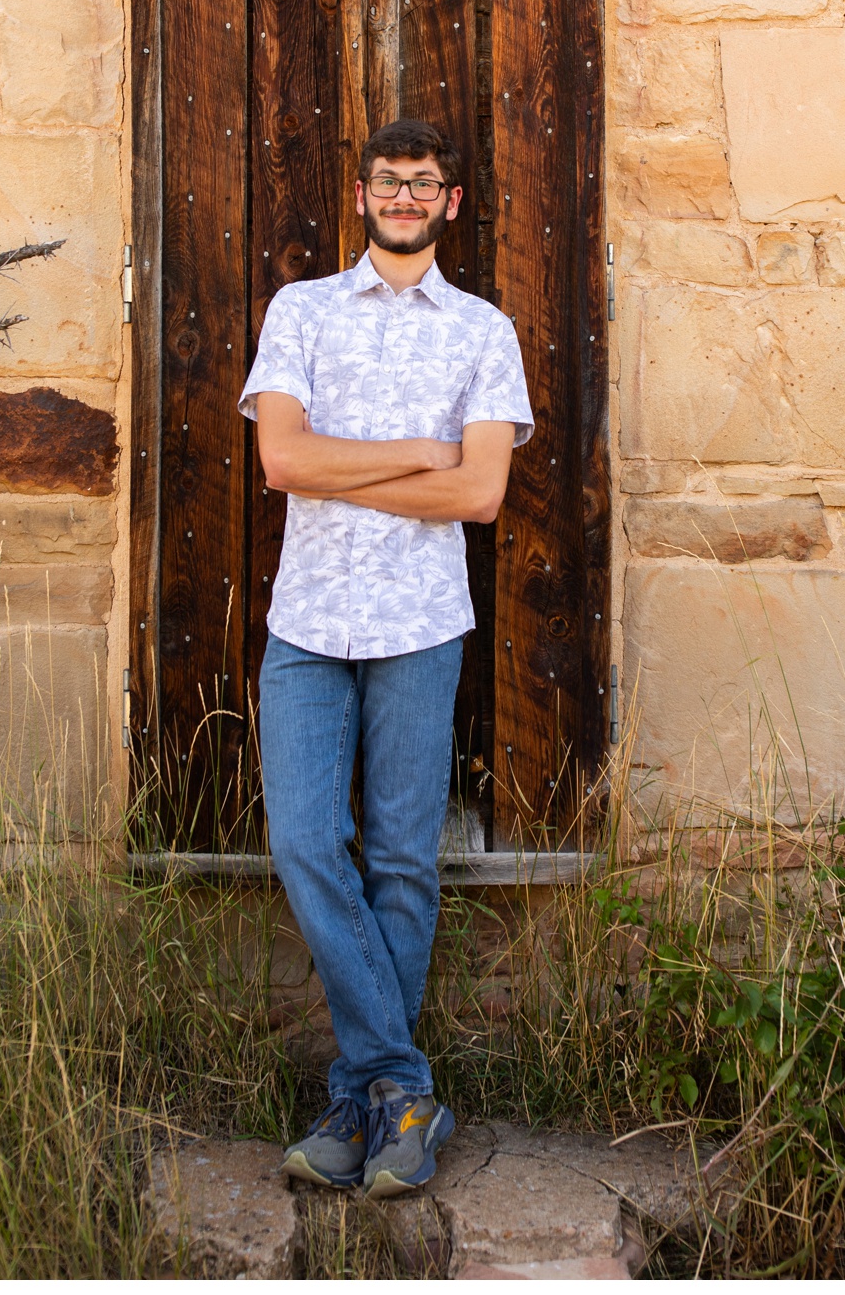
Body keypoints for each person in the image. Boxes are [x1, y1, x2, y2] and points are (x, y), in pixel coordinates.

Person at [239, 117, 533, 1199]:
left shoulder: (481, 332)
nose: (404, 195)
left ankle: (365, 1110)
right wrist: (417, 450)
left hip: (419, 625)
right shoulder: (301, 311)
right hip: (309, 626)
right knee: (306, 840)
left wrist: (340, 467)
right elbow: (279, 459)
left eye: (424, 182)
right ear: (360, 194)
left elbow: (482, 493)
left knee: (404, 864)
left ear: (450, 200)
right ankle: (401, 1085)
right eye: (387, 180)